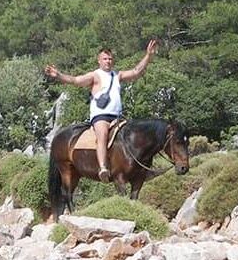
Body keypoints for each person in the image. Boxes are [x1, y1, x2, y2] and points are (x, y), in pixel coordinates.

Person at [45, 39, 159, 181]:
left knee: (134, 135)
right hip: (101, 116)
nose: (108, 61)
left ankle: (138, 169)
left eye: (110, 59)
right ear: (99, 61)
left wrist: (148, 56)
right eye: (105, 59)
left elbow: (136, 72)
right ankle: (103, 167)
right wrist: (59, 75)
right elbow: (76, 80)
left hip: (118, 117)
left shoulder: (117, 75)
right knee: (103, 135)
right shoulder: (95, 75)